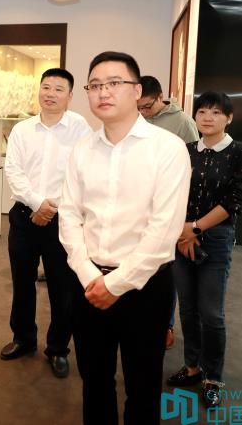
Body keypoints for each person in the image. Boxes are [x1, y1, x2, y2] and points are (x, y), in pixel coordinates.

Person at [58, 51, 191, 425]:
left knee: (143, 386)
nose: (103, 92)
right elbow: (69, 215)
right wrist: (90, 275)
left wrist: (115, 284)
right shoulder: (82, 149)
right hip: (88, 283)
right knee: (94, 381)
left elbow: (163, 230)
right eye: (95, 85)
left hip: (145, 287)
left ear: (136, 91)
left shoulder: (167, 148)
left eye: (114, 83)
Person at [0, 68, 91, 379]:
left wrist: (52, 207)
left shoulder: (80, 128)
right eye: (46, 87)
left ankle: (57, 348)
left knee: (62, 287)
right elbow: (13, 170)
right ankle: (23, 338)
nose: (50, 93)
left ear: (70, 95)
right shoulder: (22, 129)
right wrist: (37, 203)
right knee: (22, 281)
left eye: (58, 89)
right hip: (24, 215)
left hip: (63, 219)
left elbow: (82, 174)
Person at [166, 92, 242, 408]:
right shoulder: (187, 150)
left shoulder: (239, 152)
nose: (208, 117)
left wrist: (195, 228)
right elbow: (173, 192)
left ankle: (213, 377)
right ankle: (192, 366)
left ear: (229, 118)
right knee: (187, 309)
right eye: (202, 111)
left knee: (211, 313)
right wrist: (183, 231)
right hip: (181, 236)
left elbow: (235, 200)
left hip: (215, 239)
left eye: (216, 112)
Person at [138, 75, 199, 349]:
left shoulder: (182, 122)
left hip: (168, 204)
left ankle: (166, 325)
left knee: (165, 265)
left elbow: (193, 164)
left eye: (147, 106)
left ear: (160, 97)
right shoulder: (135, 119)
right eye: (139, 107)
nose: (143, 112)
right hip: (140, 205)